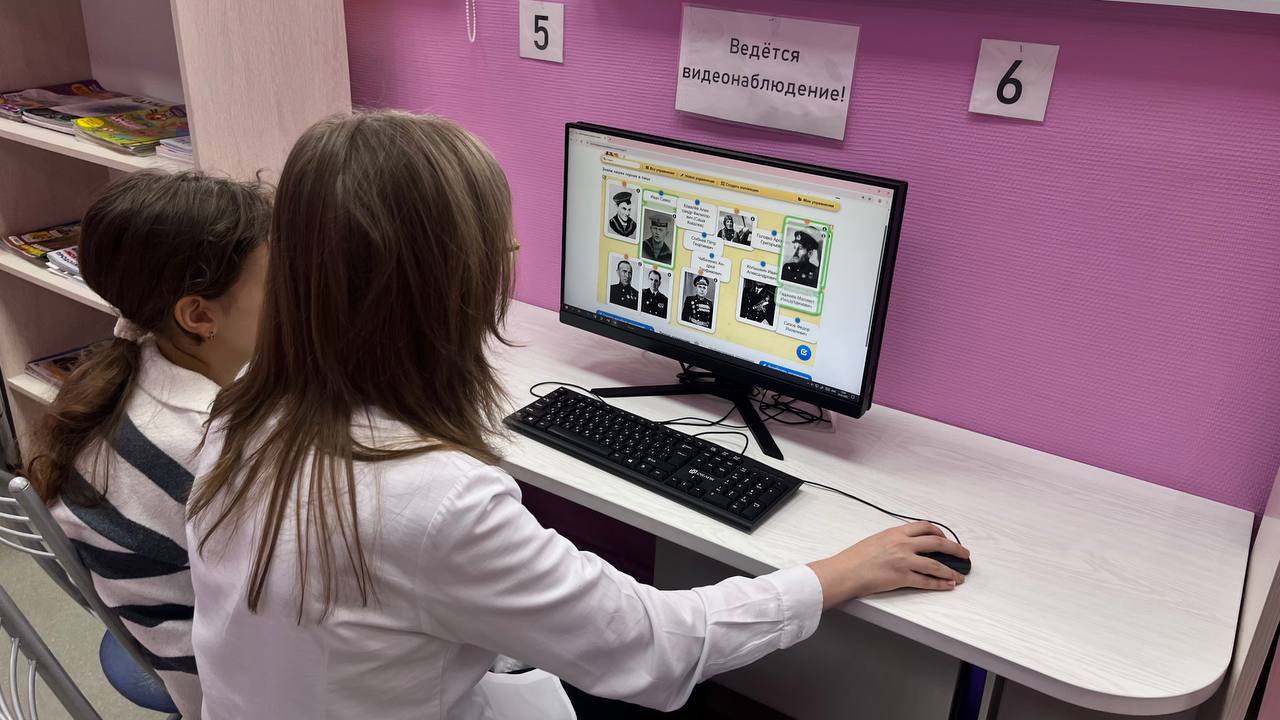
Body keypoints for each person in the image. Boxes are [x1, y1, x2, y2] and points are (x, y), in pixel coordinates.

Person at [185, 111, 968, 720]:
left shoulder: (244, 403)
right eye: (501, 250)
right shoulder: (433, 501)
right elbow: (654, 647)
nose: (513, 254)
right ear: (450, 286)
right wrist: (836, 574)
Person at [25, 171, 271, 719]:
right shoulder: (210, 445)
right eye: (281, 281)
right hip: (224, 685)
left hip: (169, 634)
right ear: (199, 316)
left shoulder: (136, 366)